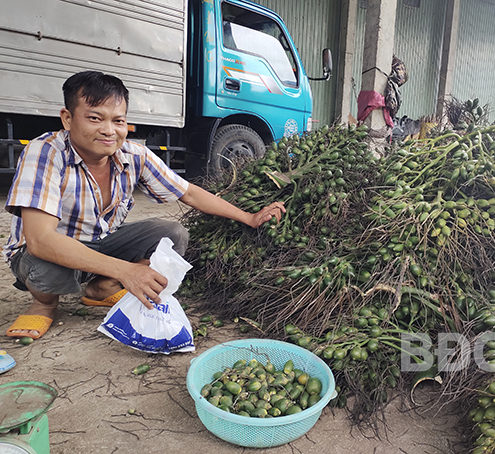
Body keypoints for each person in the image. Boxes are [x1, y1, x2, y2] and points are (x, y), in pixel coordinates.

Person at [4, 71, 285, 340]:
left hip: (101, 242)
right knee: (45, 265)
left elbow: (189, 193)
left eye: (118, 121)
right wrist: (126, 271)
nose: (108, 131)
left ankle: (101, 287)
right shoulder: (46, 152)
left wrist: (249, 217)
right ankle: (45, 303)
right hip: (44, 252)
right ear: (67, 118)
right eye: (94, 118)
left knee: (173, 233)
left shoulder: (133, 155)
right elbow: (41, 240)